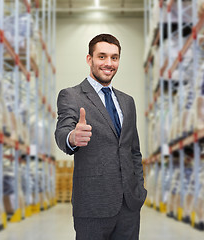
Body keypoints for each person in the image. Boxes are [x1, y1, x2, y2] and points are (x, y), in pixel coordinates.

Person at [55, 33, 147, 240]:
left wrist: (139, 190)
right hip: (92, 205)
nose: (109, 63)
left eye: (114, 58)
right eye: (102, 56)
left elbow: (134, 151)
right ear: (90, 59)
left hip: (129, 205)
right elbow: (62, 131)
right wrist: (72, 137)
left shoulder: (128, 102)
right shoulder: (71, 95)